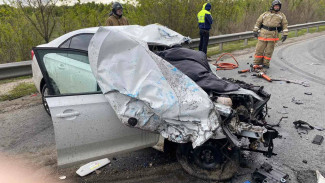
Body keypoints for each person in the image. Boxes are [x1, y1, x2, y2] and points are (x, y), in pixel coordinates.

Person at [253, 0, 288, 68]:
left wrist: (285, 34)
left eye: (278, 6)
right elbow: (258, 22)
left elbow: (285, 25)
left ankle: (265, 64)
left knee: (269, 52)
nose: (277, 7)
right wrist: (255, 30)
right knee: (259, 50)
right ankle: (256, 63)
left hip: (273, 35)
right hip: (263, 34)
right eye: (276, 6)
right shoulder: (265, 14)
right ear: (273, 6)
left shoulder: (281, 15)